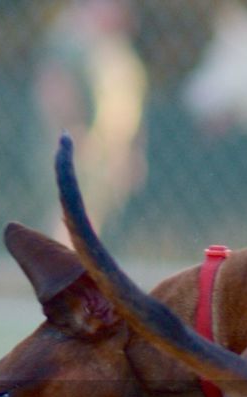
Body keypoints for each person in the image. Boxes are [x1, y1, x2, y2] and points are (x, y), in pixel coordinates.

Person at [34, 0, 147, 240]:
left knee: (90, 217)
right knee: (69, 216)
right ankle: (61, 274)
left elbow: (128, 106)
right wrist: (72, 132)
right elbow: (55, 90)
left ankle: (75, 272)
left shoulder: (115, 50)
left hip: (107, 152)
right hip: (81, 145)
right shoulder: (74, 44)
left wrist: (129, 152)